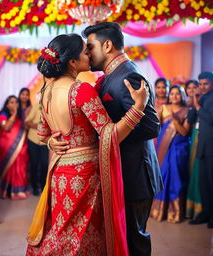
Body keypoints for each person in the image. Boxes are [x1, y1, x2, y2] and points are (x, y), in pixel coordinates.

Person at [25, 33, 149, 256]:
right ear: (72, 62)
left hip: (60, 172)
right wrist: (138, 108)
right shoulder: (80, 90)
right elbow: (109, 135)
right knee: (81, 236)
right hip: (84, 176)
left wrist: (54, 140)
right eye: (85, 52)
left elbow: (43, 134)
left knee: (62, 230)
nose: (89, 55)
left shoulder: (45, 92)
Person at [51, 22, 163, 256]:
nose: (88, 53)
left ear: (108, 45)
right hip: (118, 171)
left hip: (134, 174)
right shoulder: (110, 76)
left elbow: (152, 127)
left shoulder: (128, 75)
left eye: (90, 47)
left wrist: (110, 133)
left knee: (134, 240)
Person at [150, 85, 190, 223]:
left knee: (176, 177)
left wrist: (174, 120)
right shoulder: (164, 108)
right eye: (172, 94)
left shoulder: (187, 110)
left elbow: (185, 132)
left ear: (182, 95)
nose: (174, 96)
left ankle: (175, 212)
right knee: (163, 175)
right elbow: (156, 128)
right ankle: (159, 211)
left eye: (177, 94)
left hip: (179, 149)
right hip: (163, 148)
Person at [188, 71, 213, 228]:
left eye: (205, 84)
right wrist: (195, 102)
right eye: (200, 84)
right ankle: (206, 213)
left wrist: (198, 106)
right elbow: (191, 119)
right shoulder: (202, 96)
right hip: (201, 146)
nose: (201, 87)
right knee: (203, 183)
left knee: (212, 182)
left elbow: (210, 120)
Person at [0, 95, 30, 200]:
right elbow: (6, 127)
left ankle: (20, 191)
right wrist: (14, 113)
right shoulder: (2, 115)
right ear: (6, 104)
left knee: (20, 167)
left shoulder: (21, 116)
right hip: (7, 148)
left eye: (16, 102)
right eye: (11, 102)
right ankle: (8, 191)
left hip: (21, 148)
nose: (14, 104)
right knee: (9, 168)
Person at [185, 79, 202, 219]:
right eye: (189, 88)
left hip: (199, 138)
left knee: (197, 171)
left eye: (194, 87)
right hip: (190, 140)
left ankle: (198, 207)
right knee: (190, 171)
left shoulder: (202, 102)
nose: (191, 90)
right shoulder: (187, 104)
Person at [25, 102, 49, 196]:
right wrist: (37, 126)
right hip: (33, 139)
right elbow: (27, 122)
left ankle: (43, 187)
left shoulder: (52, 107)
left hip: (45, 140)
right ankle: (35, 187)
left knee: (45, 164)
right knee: (34, 164)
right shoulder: (36, 106)